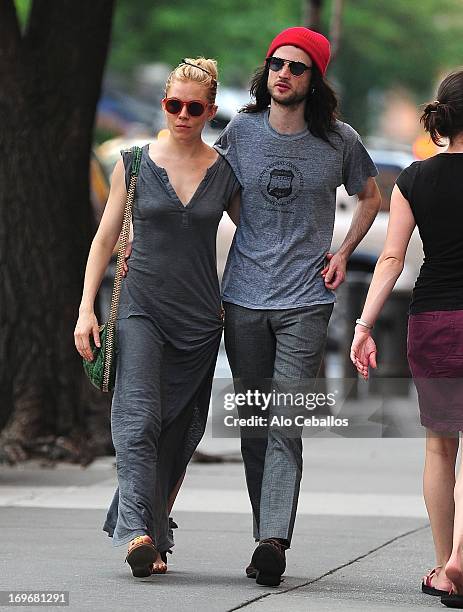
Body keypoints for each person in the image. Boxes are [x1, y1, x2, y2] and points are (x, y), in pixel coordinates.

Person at [214, 26, 381, 586]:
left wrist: (343, 249)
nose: (283, 73)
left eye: (296, 67)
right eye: (276, 64)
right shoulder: (241, 129)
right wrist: (252, 229)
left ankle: (273, 539)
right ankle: (266, 531)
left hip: (307, 300)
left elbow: (370, 195)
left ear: (315, 79)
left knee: (284, 420)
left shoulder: (338, 139)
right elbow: (215, 186)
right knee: (255, 422)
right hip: (242, 296)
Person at [74, 57, 240, 577]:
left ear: (210, 112)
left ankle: (154, 530)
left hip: (199, 317)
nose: (183, 114)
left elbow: (259, 240)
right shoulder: (134, 162)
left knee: (178, 429)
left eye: (195, 107)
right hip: (141, 308)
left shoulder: (225, 172)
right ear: (163, 104)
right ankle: (136, 534)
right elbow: (104, 239)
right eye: (174, 105)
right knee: (138, 416)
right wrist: (85, 309)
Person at [350, 69, 463, 608]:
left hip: (434, 320)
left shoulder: (415, 178)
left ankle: (445, 566)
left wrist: (364, 323)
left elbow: (391, 258)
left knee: (442, 447)